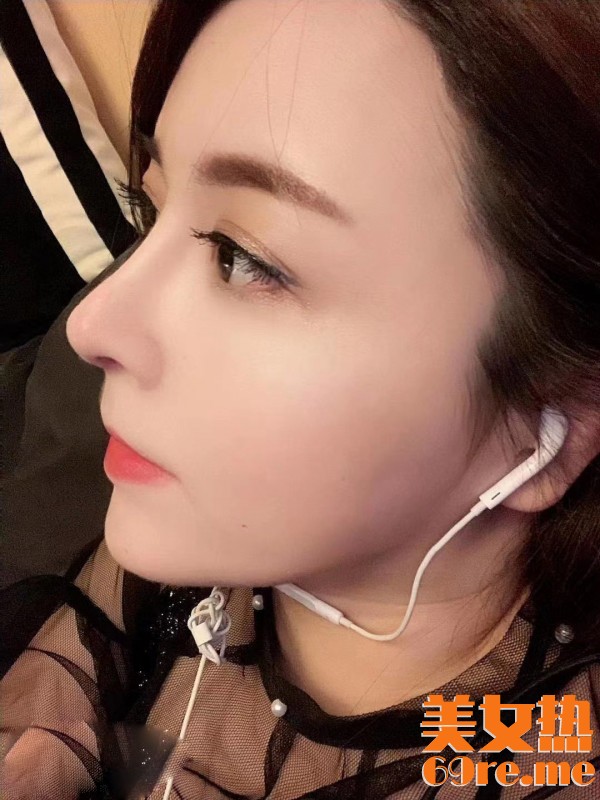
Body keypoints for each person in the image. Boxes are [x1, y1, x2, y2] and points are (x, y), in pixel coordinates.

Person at [1, 1, 600, 797]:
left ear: (547, 426)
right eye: (151, 208)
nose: (91, 325)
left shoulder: (550, 758)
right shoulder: (182, 551)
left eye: (242, 258)